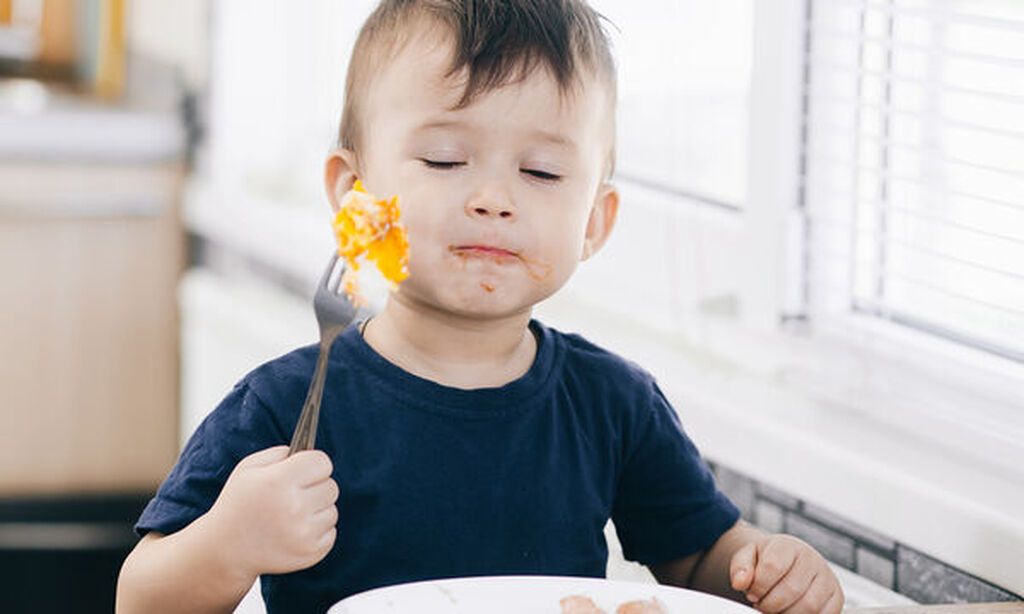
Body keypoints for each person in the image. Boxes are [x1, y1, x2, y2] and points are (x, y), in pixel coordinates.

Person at [116, 1, 844, 612]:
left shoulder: (614, 404)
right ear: (355, 193)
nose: (494, 198)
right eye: (444, 159)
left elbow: (701, 559)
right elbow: (139, 600)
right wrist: (230, 542)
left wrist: (764, 566)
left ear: (594, 220)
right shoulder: (287, 405)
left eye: (542, 170)